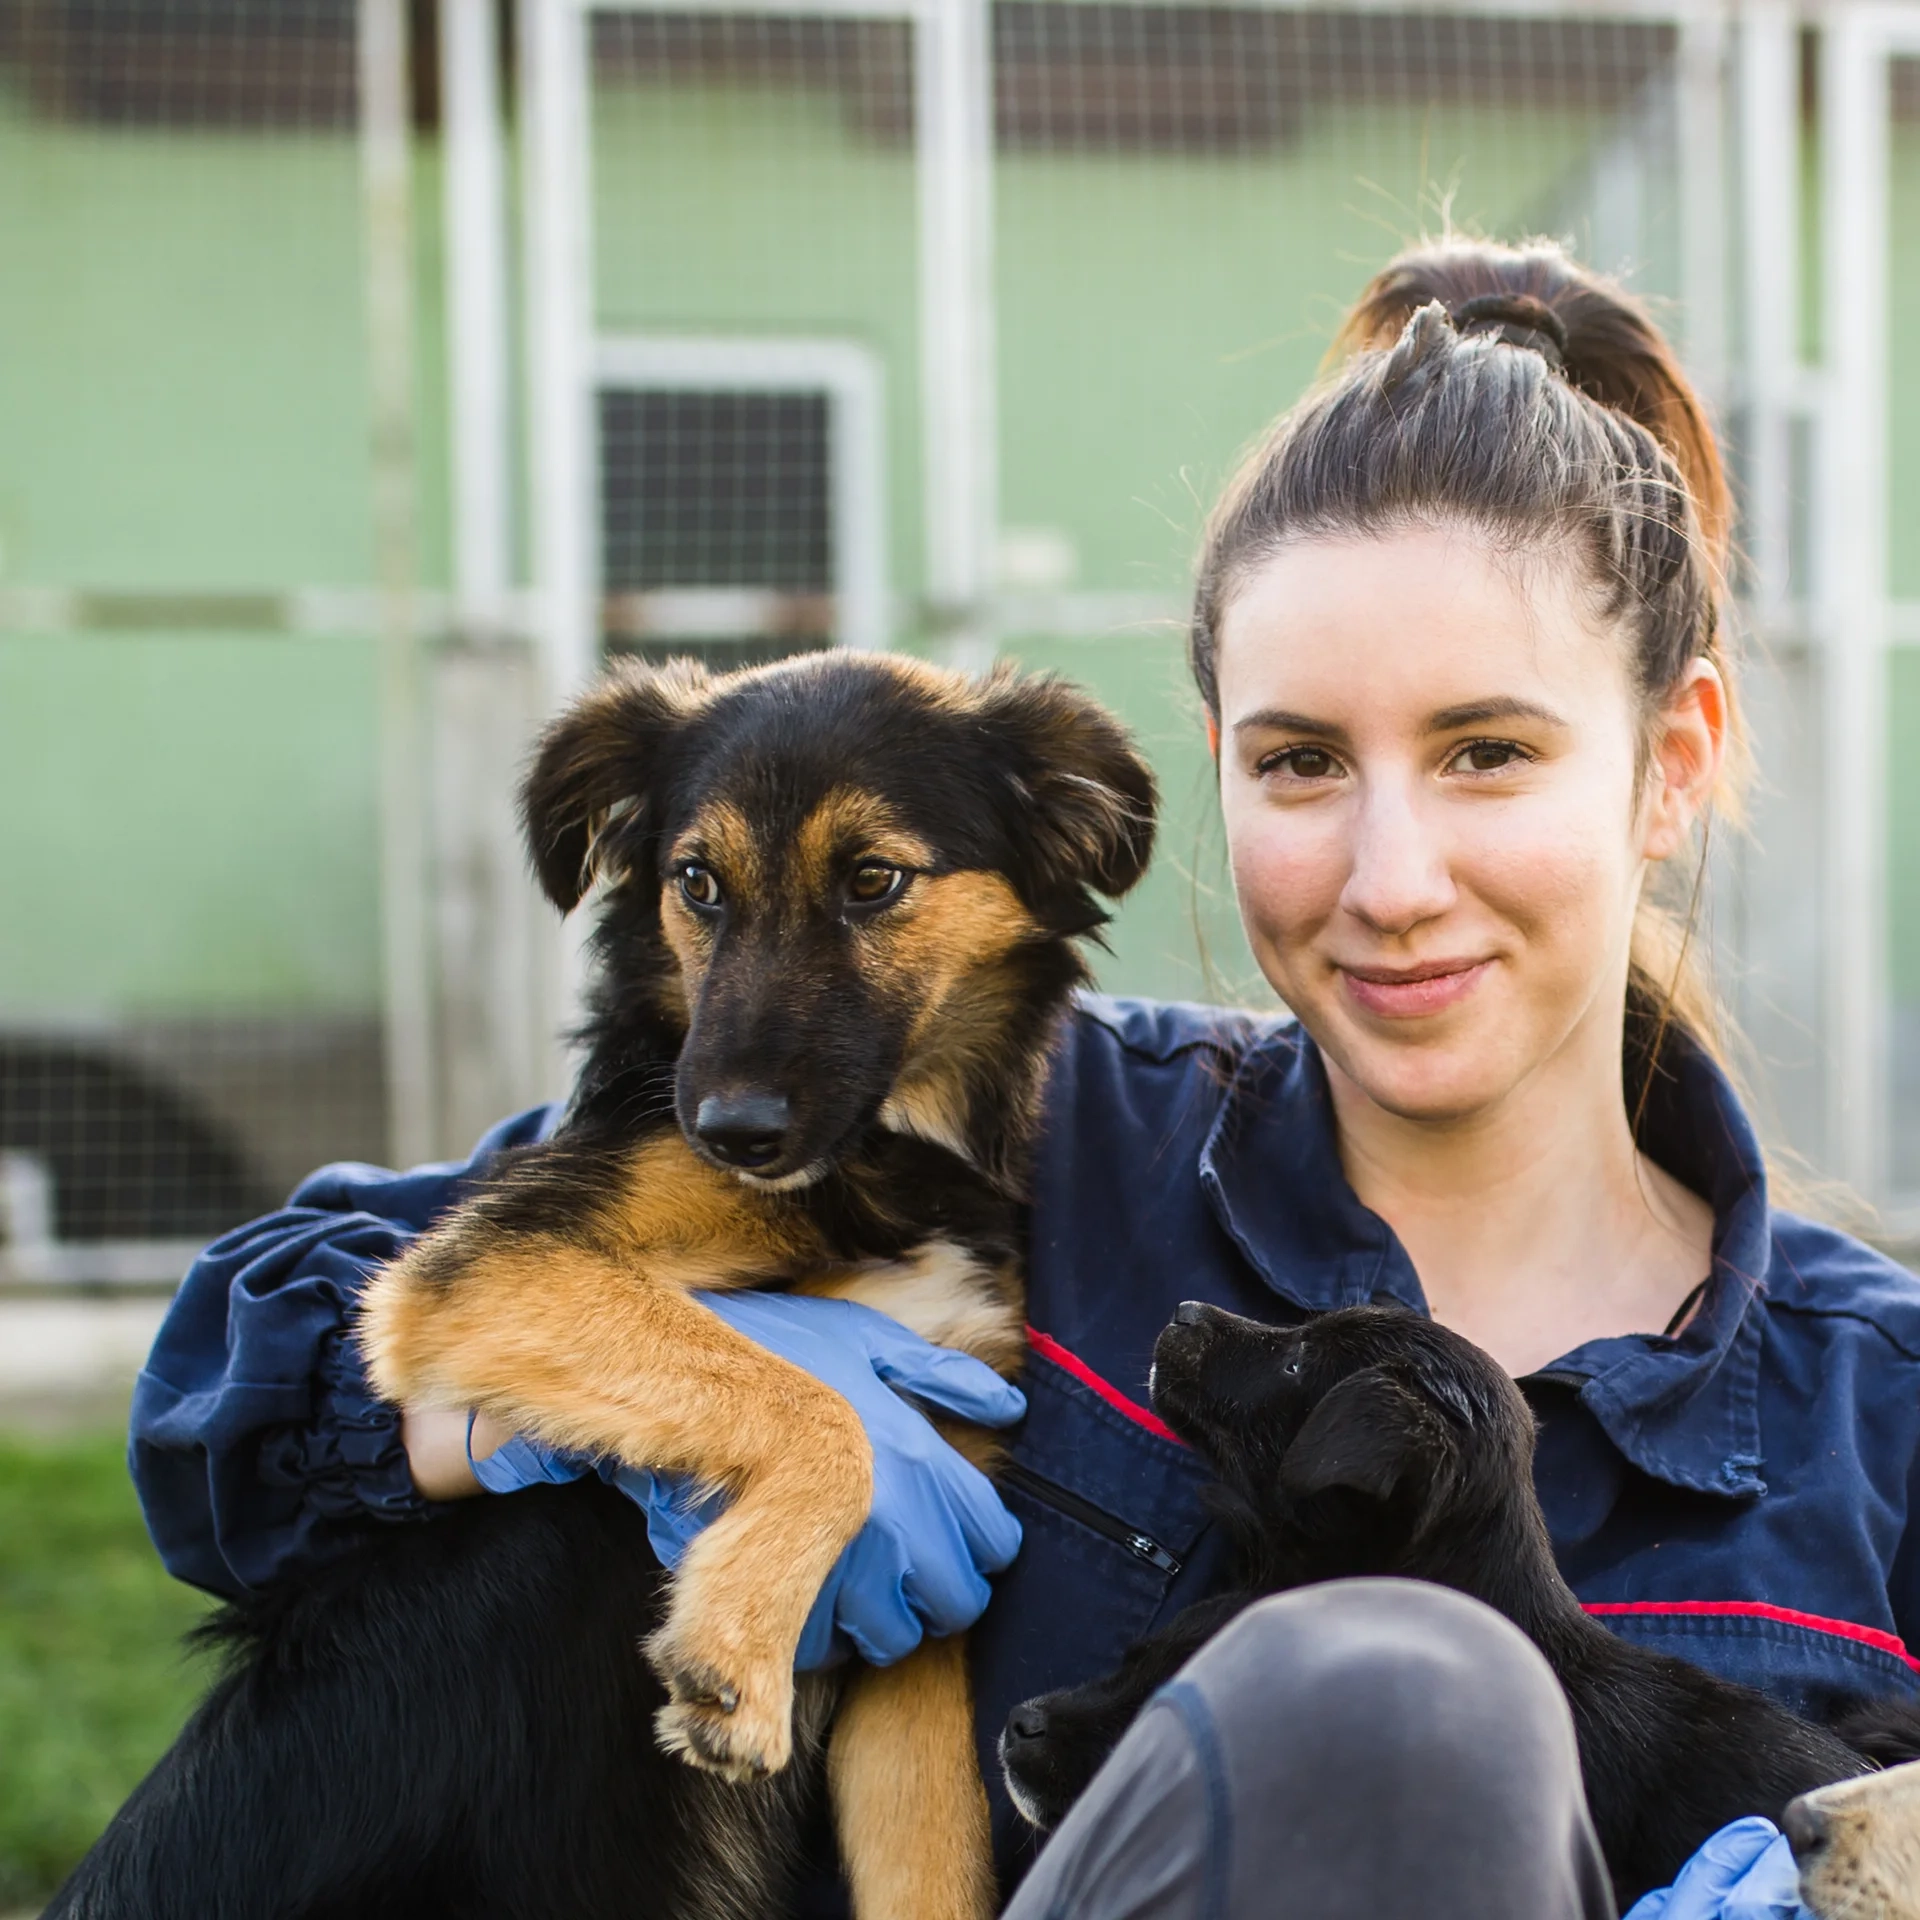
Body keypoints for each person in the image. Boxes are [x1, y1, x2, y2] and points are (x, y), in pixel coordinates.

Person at [131, 240, 1920, 1918]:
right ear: (1213, 772)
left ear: (1669, 764)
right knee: (1402, 1695)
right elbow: (236, 1398)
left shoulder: (1877, 1418)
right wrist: (668, 1408)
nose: (1389, 876)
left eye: (1488, 753)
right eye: (1302, 764)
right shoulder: (1002, 1136)